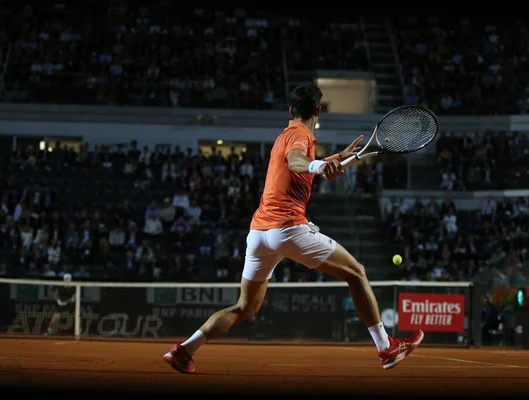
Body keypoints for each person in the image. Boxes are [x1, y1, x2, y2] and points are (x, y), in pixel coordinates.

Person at [162, 84, 424, 373]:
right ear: (318, 111)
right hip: (287, 228)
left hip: (259, 233)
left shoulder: (285, 135)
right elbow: (297, 161)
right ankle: (386, 347)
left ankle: (184, 350)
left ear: (291, 110)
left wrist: (333, 159)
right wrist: (316, 166)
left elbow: (301, 165)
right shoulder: (300, 135)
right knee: (357, 273)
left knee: (244, 307)